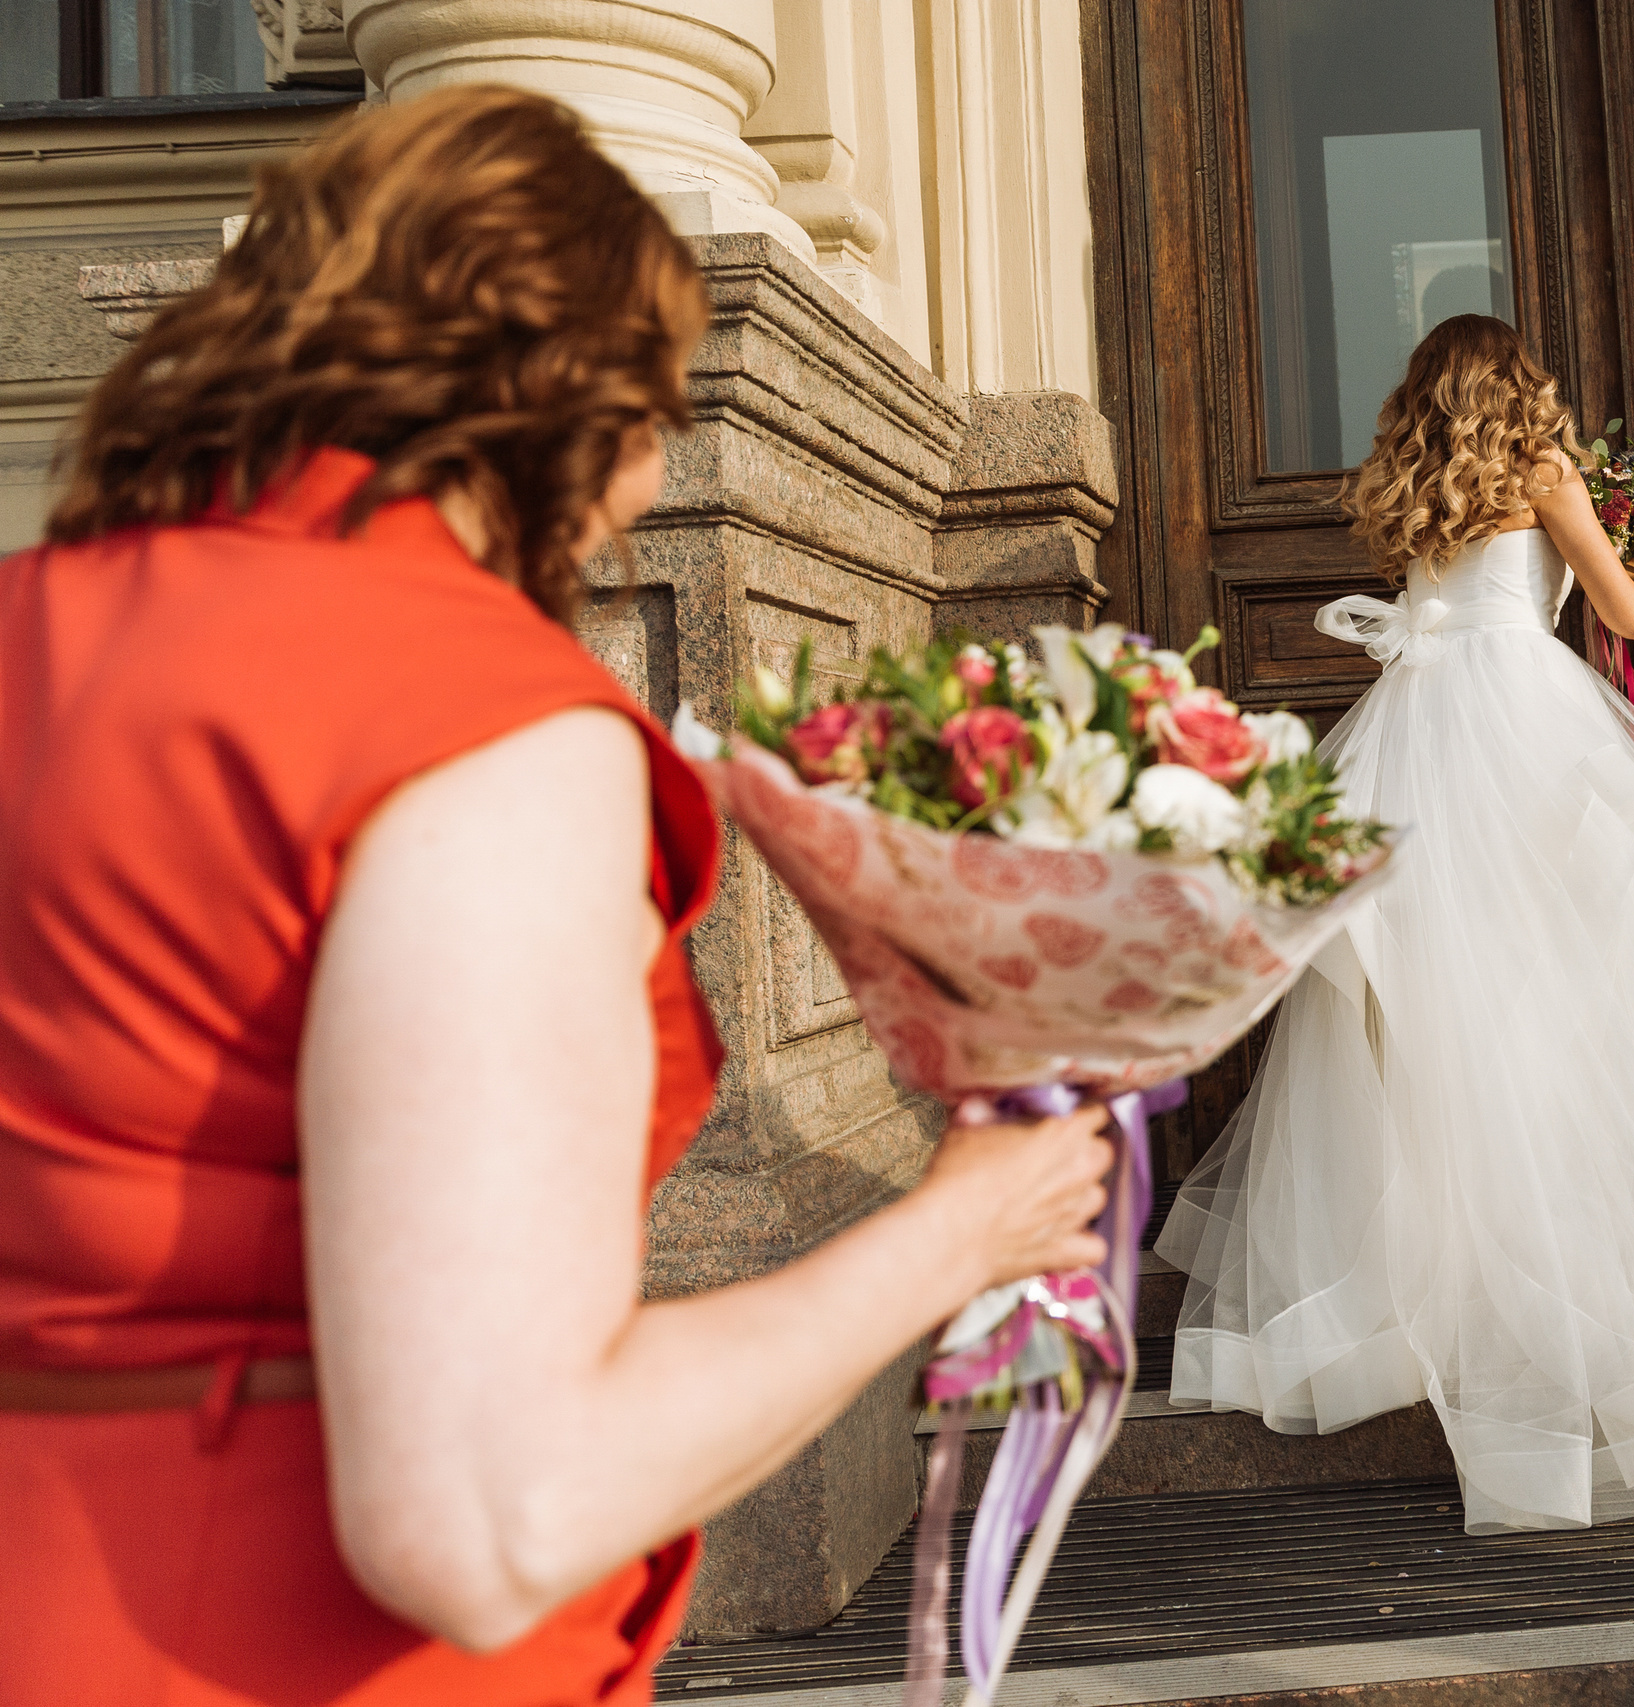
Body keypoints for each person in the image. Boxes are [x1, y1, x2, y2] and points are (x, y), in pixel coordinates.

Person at [0, 87, 1116, 1705]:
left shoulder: (34, 628)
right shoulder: (466, 723)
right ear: (559, 394)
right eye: (650, 409)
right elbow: (483, 1514)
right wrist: (959, 1228)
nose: (647, 479)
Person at [1156, 315, 1634, 1534]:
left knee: (1436, 1021)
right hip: (1525, 737)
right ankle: (1579, 1307)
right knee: (1567, 1009)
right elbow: (1627, 614)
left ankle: (1435, 1284)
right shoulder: (1543, 471)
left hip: (1415, 737)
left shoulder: (1411, 489)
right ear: (1518, 391)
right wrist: (1624, 552)